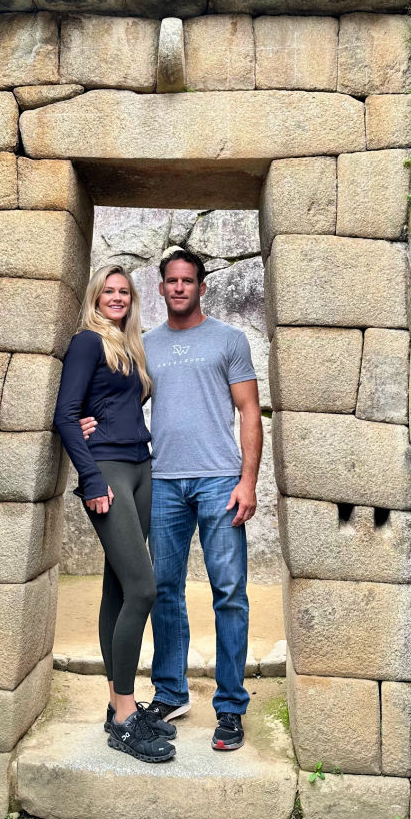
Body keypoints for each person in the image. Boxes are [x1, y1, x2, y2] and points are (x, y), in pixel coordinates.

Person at [81, 248, 262, 751]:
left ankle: (229, 707)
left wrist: (247, 481)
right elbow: (117, 400)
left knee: (229, 593)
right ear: (160, 288)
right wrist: (82, 421)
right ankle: (170, 693)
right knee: (162, 589)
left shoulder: (229, 339)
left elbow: (249, 412)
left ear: (202, 287)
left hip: (220, 481)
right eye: (171, 281)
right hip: (162, 480)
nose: (180, 287)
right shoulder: (146, 346)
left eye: (188, 281)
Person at [53, 265, 175, 763]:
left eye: (125, 291)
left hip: (141, 467)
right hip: (107, 472)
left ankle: (114, 704)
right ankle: (125, 717)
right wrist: (91, 478)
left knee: (119, 588)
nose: (117, 298)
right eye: (109, 291)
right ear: (95, 296)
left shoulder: (129, 346)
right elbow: (65, 414)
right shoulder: (87, 342)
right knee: (144, 588)